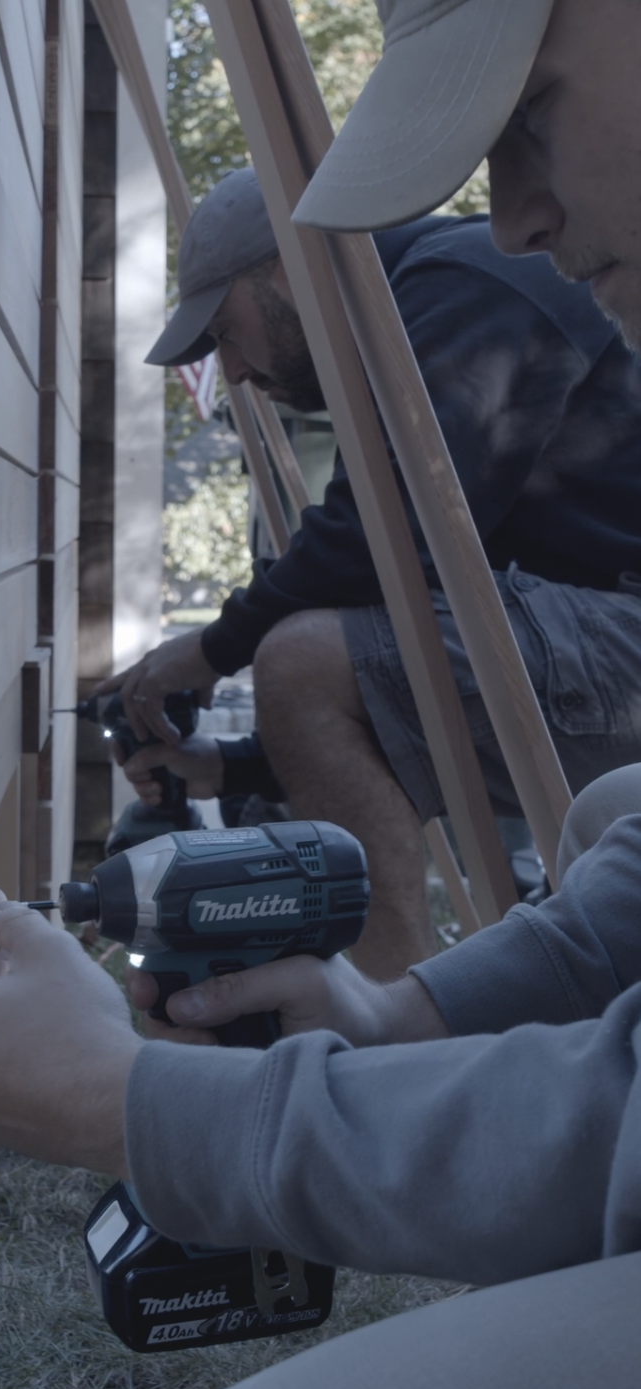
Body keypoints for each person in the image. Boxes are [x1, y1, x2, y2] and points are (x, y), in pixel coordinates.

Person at [0, 2, 641, 1389]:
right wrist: (389, 1034)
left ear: (278, 282)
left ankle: (388, 965)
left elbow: (382, 546)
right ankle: (389, 986)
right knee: (593, 823)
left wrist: (157, 1111)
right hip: (590, 691)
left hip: (614, 642)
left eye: (522, 116)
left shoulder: (455, 287)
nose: (511, 206)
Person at [105, 167, 641, 977]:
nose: (236, 371)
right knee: (323, 657)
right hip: (604, 647)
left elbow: (389, 532)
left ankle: (388, 1048)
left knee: (301, 655)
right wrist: (235, 763)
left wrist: (213, 648)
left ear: (287, 266)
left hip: (624, 641)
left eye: (223, 330)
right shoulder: (420, 314)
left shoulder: (471, 283)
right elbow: (417, 659)